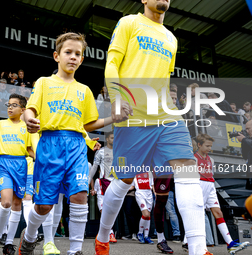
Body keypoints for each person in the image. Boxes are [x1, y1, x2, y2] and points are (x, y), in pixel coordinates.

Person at [96, 0, 210, 254]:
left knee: (187, 170)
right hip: (133, 115)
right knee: (124, 179)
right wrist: (116, 97)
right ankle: (103, 236)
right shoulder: (129, 23)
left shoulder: (171, 38)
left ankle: (198, 248)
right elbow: (112, 62)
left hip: (167, 116)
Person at [21, 32, 112, 255]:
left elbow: (89, 123)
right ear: (56, 56)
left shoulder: (85, 90)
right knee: (44, 205)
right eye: (68, 52)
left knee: (80, 196)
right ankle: (30, 236)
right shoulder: (43, 82)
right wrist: (29, 119)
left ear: (82, 60)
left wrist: (113, 118)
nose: (73, 57)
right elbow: (30, 109)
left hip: (76, 146)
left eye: (77, 54)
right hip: (49, 145)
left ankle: (75, 250)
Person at [0, 94, 34, 255]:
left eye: (14, 105)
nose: (10, 108)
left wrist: (42, 159)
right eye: (8, 105)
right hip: (4, 164)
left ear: (22, 110)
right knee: (5, 202)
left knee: (17, 205)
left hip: (21, 165)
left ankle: (9, 243)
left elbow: (29, 150)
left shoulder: (26, 127)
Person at [189, 134, 249, 253]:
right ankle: (193, 244)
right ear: (199, 145)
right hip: (199, 185)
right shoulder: (193, 158)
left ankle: (230, 243)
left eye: (211, 146)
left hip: (210, 186)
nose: (209, 148)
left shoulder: (211, 159)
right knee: (198, 215)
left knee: (218, 212)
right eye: (207, 146)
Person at [134, 172, 154, 244]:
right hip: (140, 194)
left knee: (148, 215)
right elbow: (132, 186)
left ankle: (146, 236)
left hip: (149, 194)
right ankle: (140, 233)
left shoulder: (149, 173)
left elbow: (152, 185)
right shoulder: (134, 173)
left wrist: (155, 194)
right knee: (145, 214)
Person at [236, 119, 252, 190]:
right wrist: (243, 142)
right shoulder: (249, 140)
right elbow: (245, 155)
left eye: (248, 129)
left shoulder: (248, 140)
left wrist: (244, 140)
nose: (247, 131)